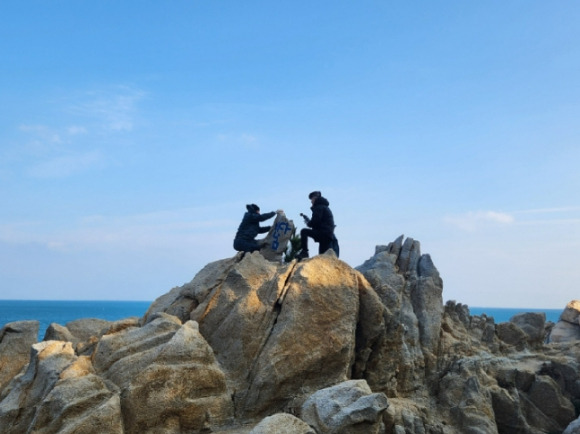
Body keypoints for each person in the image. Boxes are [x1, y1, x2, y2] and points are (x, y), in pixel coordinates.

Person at [297, 191, 337, 259]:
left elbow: (315, 222)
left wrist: (309, 223)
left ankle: (304, 252)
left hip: (323, 234)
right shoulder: (324, 207)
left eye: (311, 199)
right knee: (323, 256)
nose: (311, 202)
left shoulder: (319, 207)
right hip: (327, 235)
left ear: (315, 199)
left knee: (304, 231)